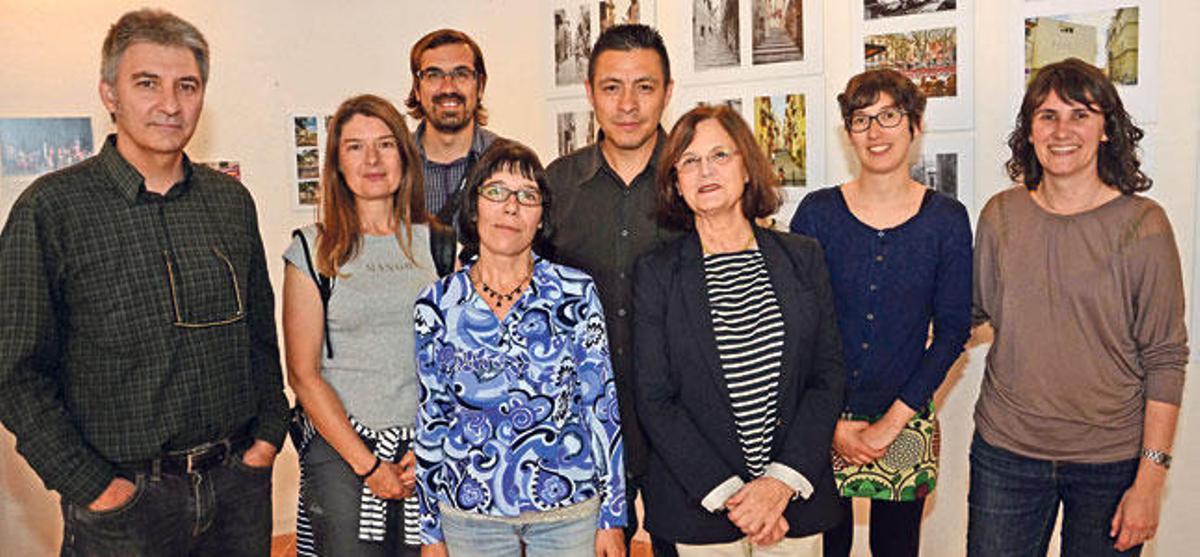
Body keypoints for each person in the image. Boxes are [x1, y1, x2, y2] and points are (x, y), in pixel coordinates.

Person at [0, 9, 287, 556]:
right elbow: (14, 371)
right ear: (110, 93)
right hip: (125, 505)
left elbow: (259, 337)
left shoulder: (230, 201)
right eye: (147, 83)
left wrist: (268, 438)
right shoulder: (52, 209)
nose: (170, 105)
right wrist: (94, 487)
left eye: (188, 86)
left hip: (237, 490)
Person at [968, 58, 1187, 556]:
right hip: (1006, 454)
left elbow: (1166, 358)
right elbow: (972, 316)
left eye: (1080, 115)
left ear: (1106, 129)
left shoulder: (1143, 226)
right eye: (1047, 116)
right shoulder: (1001, 216)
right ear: (1029, 130)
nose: (1062, 130)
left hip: (1110, 462)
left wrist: (1150, 481)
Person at [634, 104, 845, 555]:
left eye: (720, 156)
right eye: (688, 161)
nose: (704, 170)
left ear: (747, 168)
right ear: (675, 182)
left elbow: (826, 378)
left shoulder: (803, 257)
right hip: (700, 509)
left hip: (793, 506)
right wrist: (736, 498)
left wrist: (777, 485)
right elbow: (655, 398)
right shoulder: (656, 273)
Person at [790, 69, 972, 557]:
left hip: (904, 417)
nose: (875, 131)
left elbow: (953, 331)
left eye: (889, 116)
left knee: (897, 549)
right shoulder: (816, 213)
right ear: (848, 132)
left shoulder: (947, 220)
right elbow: (795, 327)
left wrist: (892, 422)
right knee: (821, 549)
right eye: (861, 119)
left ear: (915, 124)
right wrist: (830, 423)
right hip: (820, 419)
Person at [413, 139, 626, 557]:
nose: (511, 207)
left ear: (542, 215)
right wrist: (430, 532)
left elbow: (602, 408)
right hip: (470, 515)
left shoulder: (574, 293)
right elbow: (431, 418)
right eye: (495, 191)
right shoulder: (436, 304)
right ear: (474, 208)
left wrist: (613, 516)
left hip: (568, 511)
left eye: (527, 196)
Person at [544, 24, 682, 553]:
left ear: (667, 92)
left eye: (644, 87)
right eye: (612, 87)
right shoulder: (554, 185)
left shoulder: (695, 179)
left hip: (680, 420)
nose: (628, 104)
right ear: (589, 92)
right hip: (584, 426)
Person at [284, 95, 438, 556]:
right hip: (342, 450)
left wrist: (430, 448)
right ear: (336, 164)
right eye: (355, 147)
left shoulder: (442, 245)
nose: (372, 159)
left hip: (427, 448)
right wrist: (369, 465)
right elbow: (303, 376)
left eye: (386, 144)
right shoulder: (312, 252)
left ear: (404, 157)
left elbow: (457, 361)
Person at [405, 28, 501, 274]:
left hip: (490, 309)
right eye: (434, 75)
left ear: (480, 86)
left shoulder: (508, 162)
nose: (448, 87)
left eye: (461, 74)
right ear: (417, 88)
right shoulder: (392, 165)